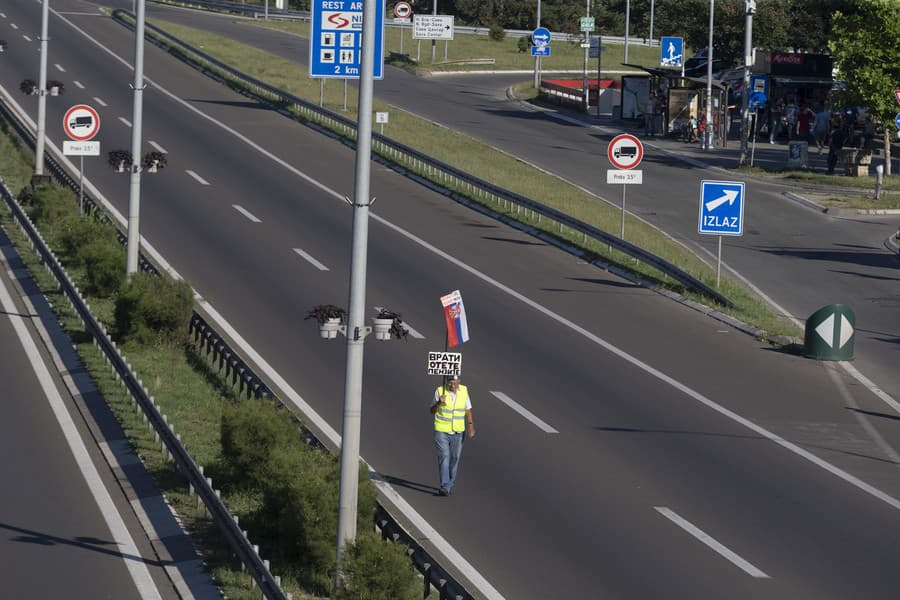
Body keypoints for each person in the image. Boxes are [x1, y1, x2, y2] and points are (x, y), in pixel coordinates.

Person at [430, 374, 475, 496]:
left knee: (454, 458)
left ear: (459, 381)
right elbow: (432, 411)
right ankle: (445, 486)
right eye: (451, 382)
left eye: (455, 382)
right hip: (442, 430)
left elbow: (468, 409)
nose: (453, 385)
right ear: (447, 381)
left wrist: (471, 426)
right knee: (444, 456)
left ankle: (449, 484)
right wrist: (439, 402)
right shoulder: (440, 391)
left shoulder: (464, 391)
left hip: (458, 432)